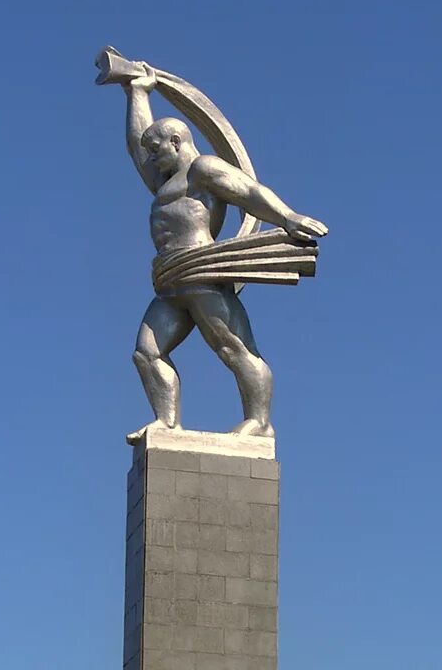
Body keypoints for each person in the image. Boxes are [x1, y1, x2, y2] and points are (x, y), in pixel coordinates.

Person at [104, 58, 328, 438]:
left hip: (204, 274)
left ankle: (259, 423)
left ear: (177, 143)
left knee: (233, 347)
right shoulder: (165, 182)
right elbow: (136, 146)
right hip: (170, 279)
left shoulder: (203, 170)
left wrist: (287, 217)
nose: (152, 159)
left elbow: (249, 192)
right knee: (146, 352)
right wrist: (137, 92)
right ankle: (167, 422)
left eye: (158, 151)